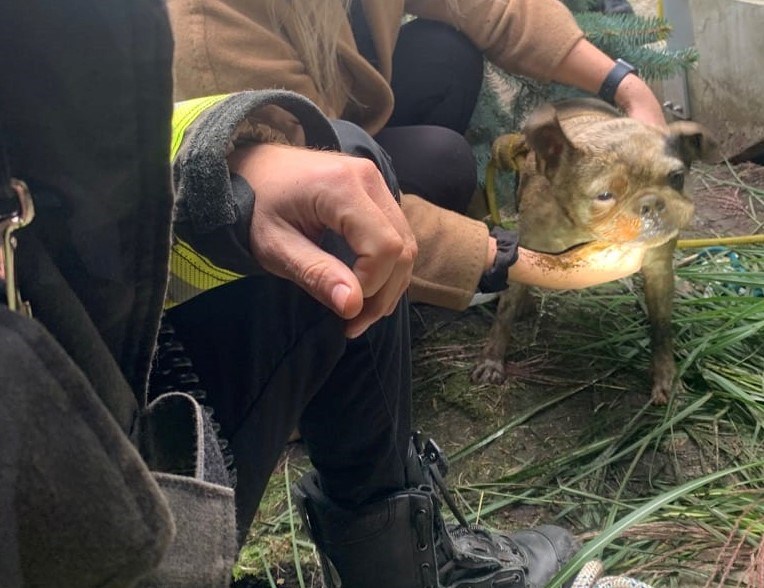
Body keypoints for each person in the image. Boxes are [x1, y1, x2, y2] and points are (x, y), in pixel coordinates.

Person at [0, 1, 585, 587]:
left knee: (389, 125)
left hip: (95, 365)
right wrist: (500, 256)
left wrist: (219, 162)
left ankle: (394, 559)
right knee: (340, 210)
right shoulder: (208, 19)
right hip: (93, 502)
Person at [166, 0, 665, 311]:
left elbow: (495, 8)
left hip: (335, 118)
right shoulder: (213, 21)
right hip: (265, 215)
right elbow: (296, 192)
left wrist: (625, 85)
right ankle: (355, 303)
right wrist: (524, 263)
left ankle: (406, 270)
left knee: (444, 53)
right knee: (442, 162)